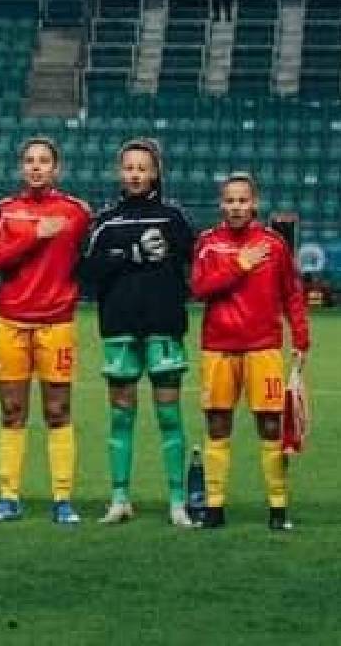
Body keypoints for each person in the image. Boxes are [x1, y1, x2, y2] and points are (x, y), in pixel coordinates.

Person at [77, 139, 196, 528]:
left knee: (169, 416)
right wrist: (130, 254)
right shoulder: (107, 222)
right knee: (121, 418)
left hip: (163, 327)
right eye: (129, 167)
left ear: (156, 173)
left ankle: (178, 501)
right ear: (119, 172)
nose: (135, 174)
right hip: (119, 329)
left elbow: (196, 263)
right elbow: (86, 273)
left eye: (143, 168)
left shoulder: (173, 219)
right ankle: (119, 498)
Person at [191, 174, 311, 531]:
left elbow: (292, 293)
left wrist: (301, 339)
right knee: (217, 424)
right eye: (230, 201)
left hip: (263, 348)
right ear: (221, 204)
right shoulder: (208, 244)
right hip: (219, 348)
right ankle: (214, 507)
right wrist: (239, 264)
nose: (236, 207)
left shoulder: (274, 244)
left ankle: (278, 507)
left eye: (243, 201)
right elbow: (199, 288)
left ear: (254, 203)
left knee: (271, 426)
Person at [0, 137, 92, 525]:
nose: (36, 167)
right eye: (29, 160)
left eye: (44, 161)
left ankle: (62, 499)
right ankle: (8, 497)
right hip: (12, 321)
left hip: (56, 324)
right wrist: (34, 235)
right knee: (12, 411)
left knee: (58, 411)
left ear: (56, 168)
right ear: (21, 167)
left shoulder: (77, 213)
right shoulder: (7, 211)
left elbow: (89, 262)